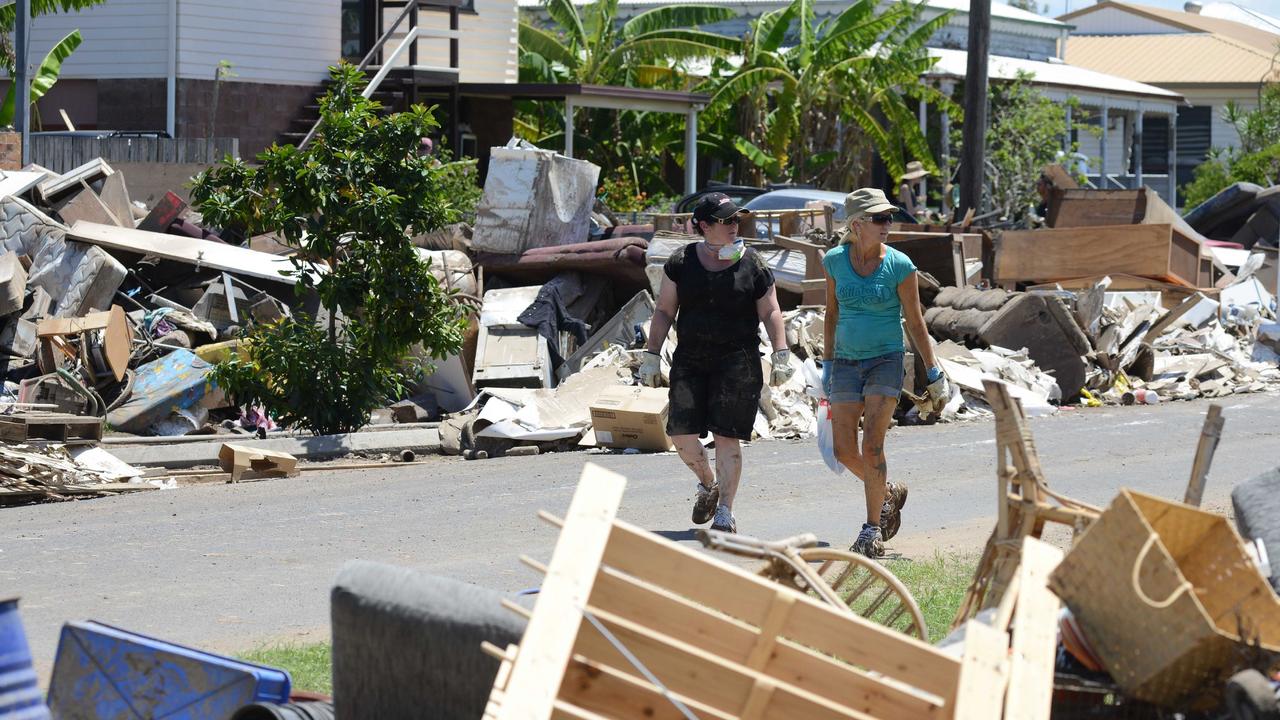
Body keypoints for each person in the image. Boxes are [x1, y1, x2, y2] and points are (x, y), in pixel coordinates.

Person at [640, 193, 794, 534]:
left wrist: (781, 351)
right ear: (704, 225)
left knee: (727, 437)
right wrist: (651, 354)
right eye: (727, 220)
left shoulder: (752, 263)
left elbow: (769, 309)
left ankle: (725, 510)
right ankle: (707, 483)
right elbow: (665, 309)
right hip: (691, 361)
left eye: (737, 219)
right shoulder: (681, 261)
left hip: (738, 362)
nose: (735, 225)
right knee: (681, 435)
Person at [822, 188, 949, 557]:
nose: (887, 224)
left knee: (872, 443)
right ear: (857, 224)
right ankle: (888, 491)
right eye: (879, 219)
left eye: (889, 217)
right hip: (845, 362)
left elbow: (915, 321)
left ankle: (871, 528)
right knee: (844, 450)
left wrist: (934, 372)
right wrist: (827, 365)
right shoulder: (833, 261)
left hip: (886, 360)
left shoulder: (900, 265)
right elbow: (831, 313)